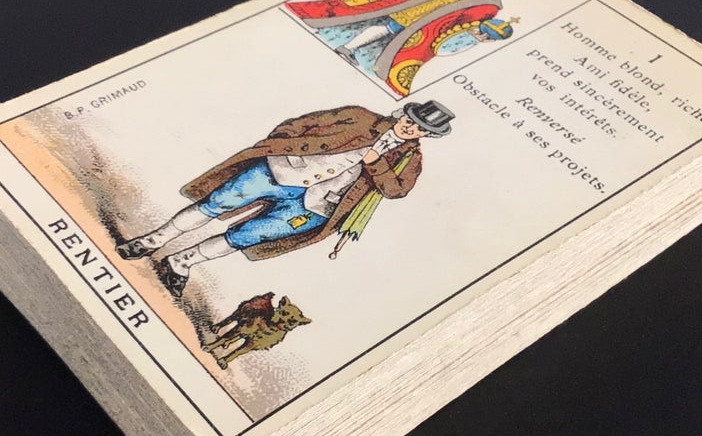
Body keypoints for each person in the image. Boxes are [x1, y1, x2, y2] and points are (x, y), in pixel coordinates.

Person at [116, 100, 455, 297]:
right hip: (280, 172)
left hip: (317, 206)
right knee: (217, 203)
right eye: (412, 120)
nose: (412, 128)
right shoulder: (360, 116)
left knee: (248, 236)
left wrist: (376, 163)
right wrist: (284, 149)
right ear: (404, 114)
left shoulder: (410, 159)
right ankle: (151, 241)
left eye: (421, 128)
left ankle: (181, 262)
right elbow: (303, 124)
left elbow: (396, 190)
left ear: (427, 134)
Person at [286, 0, 530, 96]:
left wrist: (475, 35)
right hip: (406, 3)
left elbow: (467, 26)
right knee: (381, 25)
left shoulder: (490, 3)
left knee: (394, 39)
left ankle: (353, 53)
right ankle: (348, 48)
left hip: (427, 25)